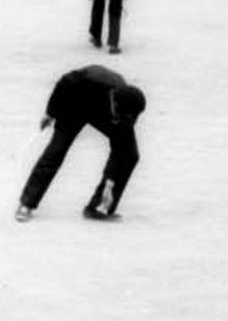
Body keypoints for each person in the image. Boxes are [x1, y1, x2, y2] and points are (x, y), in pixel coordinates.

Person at [15, 64, 146, 223]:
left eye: (124, 118)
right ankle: (27, 203)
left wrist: (110, 185)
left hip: (102, 114)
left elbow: (120, 152)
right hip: (74, 106)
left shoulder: (125, 110)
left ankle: (99, 206)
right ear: (113, 99)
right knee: (56, 150)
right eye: (119, 115)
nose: (120, 120)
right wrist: (50, 113)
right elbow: (63, 83)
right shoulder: (90, 79)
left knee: (129, 155)